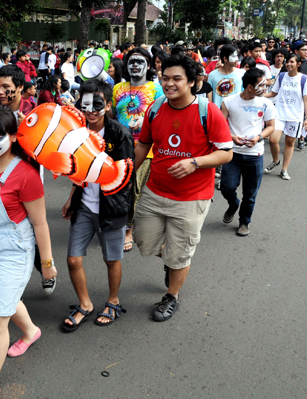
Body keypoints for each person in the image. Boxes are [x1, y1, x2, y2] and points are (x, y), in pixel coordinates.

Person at [134, 54, 233, 322]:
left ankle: (172, 295)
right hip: (154, 191)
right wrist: (128, 172)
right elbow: (144, 144)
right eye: (164, 78)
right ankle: (173, 260)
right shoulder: (154, 108)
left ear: (192, 82)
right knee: (143, 241)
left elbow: (226, 153)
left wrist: (195, 163)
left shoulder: (207, 111)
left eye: (177, 78)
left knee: (180, 254)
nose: (169, 83)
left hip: (191, 198)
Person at [0, 105, 57, 399]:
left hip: (13, 251)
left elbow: (41, 223)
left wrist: (46, 264)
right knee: (1, 302)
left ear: (13, 136)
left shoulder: (26, 175)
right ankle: (31, 331)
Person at [61, 79, 134, 331]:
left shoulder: (120, 134)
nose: (90, 109)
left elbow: (127, 176)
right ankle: (85, 303)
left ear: (108, 104)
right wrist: (72, 197)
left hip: (111, 209)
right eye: (85, 104)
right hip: (84, 206)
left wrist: (124, 214)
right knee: (72, 259)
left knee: (111, 259)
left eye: (97, 104)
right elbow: (76, 169)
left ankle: (113, 300)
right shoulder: (77, 132)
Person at [111, 47, 163, 253]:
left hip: (147, 148)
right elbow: (114, 115)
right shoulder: (118, 89)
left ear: (148, 66)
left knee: (136, 188)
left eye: (140, 62)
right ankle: (120, 223)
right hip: (121, 146)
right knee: (121, 187)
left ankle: (129, 230)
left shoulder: (156, 89)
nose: (135, 65)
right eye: (131, 61)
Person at [220, 68, 276, 236]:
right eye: (261, 85)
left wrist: (259, 137)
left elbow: (271, 126)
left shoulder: (266, 103)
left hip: (255, 155)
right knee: (226, 187)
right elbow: (221, 126)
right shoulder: (229, 101)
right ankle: (233, 204)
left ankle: (244, 221)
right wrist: (232, 136)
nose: (265, 88)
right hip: (232, 153)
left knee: (250, 193)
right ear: (249, 86)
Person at [264, 53, 307, 180]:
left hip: (295, 116)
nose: (289, 64)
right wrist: (259, 95)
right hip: (279, 114)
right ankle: (276, 160)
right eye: (288, 61)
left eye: (292, 62)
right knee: (273, 140)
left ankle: (284, 169)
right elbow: (273, 93)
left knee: (289, 143)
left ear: (298, 64)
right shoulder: (281, 76)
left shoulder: (304, 79)